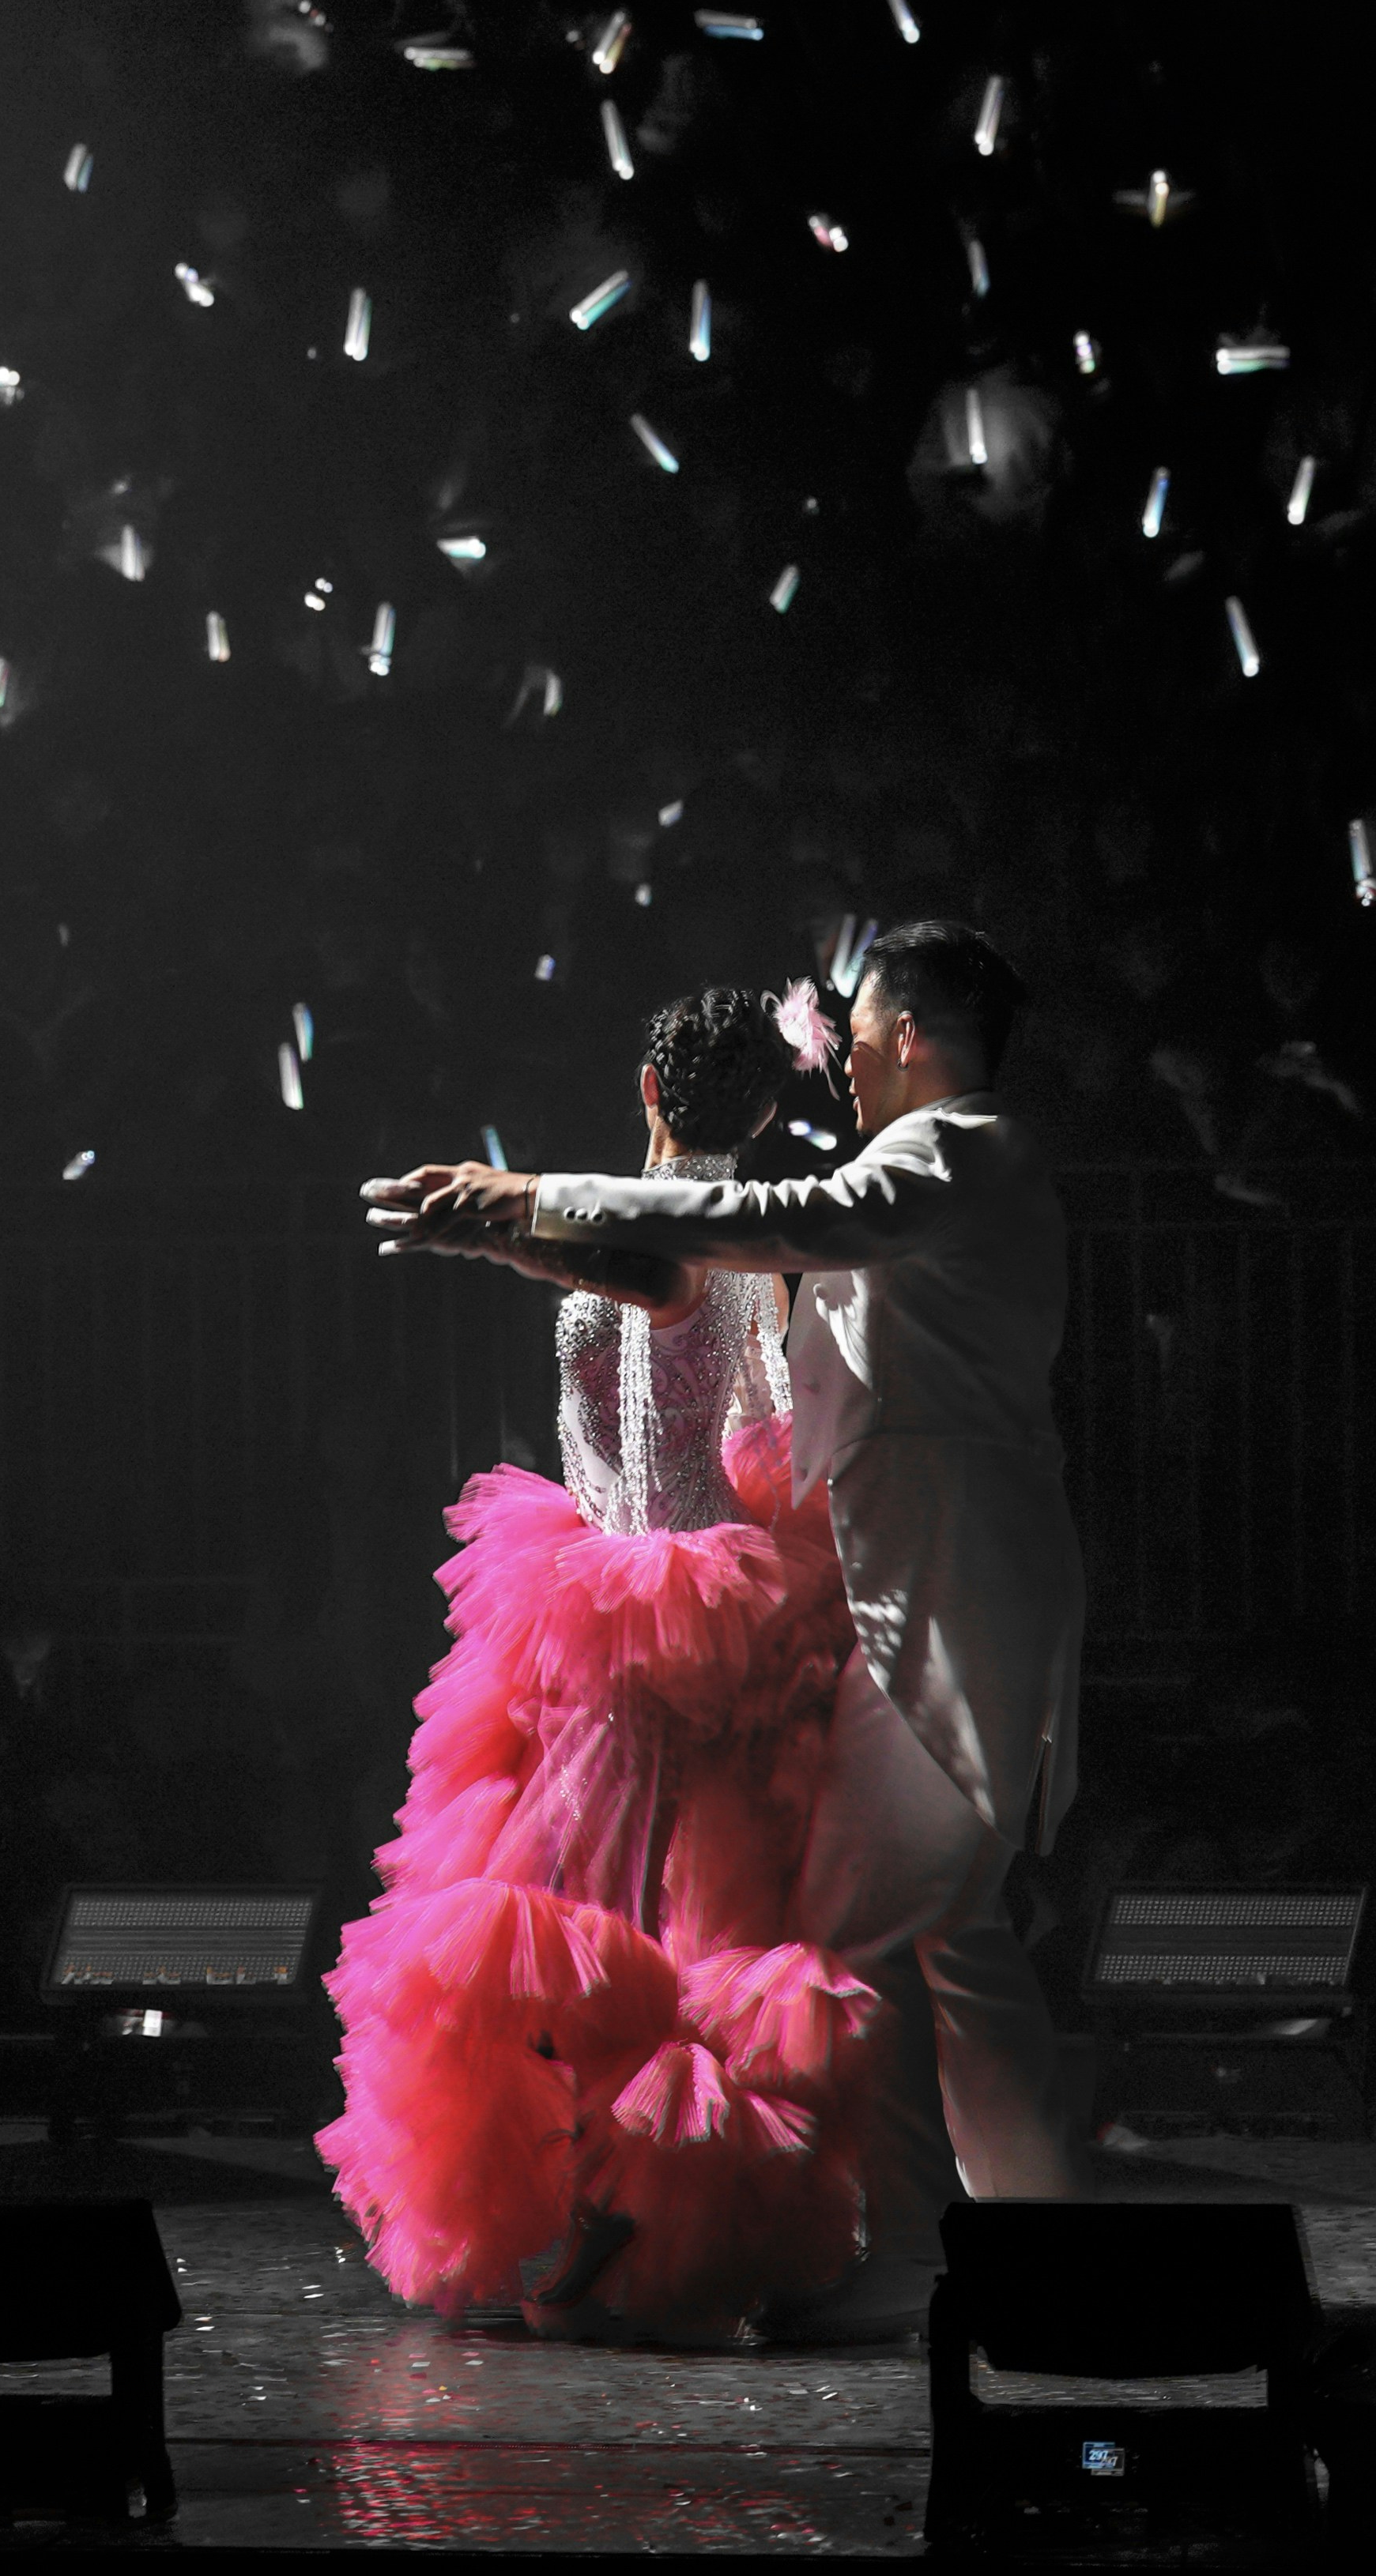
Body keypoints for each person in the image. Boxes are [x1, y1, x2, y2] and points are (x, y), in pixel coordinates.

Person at [368, 919, 1086, 2344]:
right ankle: (1035, 2239)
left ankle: (913, 2256)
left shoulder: (960, 1151)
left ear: (910, 1031)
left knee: (861, 1924)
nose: (849, 1059)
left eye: (861, 1032)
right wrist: (506, 1232)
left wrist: (521, 1199)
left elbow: (774, 1236)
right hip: (888, 1589)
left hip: (938, 1596)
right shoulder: (919, 1166)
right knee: (946, 1941)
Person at [318, 982, 884, 2344]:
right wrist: (513, 1230)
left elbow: (649, 1281)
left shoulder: (694, 1239)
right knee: (597, 1908)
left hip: (676, 1610)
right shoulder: (713, 1232)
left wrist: (500, 1232)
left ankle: (652, 2205)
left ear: (645, 1090)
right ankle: (603, 2197)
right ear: (765, 1115)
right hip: (600, 1590)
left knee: (643, 1914)